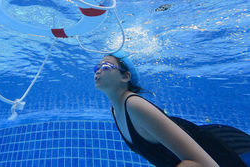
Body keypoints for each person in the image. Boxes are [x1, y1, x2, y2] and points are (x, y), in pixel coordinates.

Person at [94, 52, 250, 167]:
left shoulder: (134, 105)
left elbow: (205, 163)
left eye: (106, 66)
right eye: (97, 67)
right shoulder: (116, 110)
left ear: (125, 77)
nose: (98, 70)